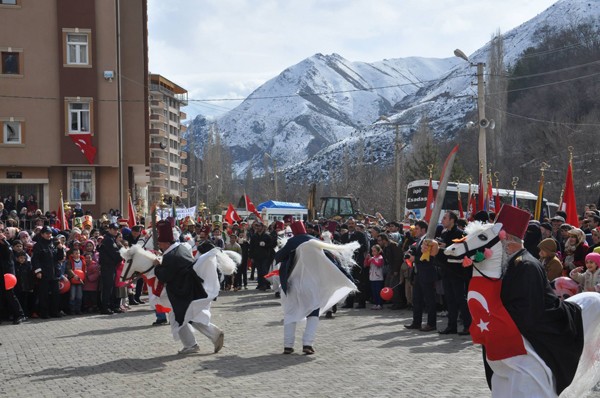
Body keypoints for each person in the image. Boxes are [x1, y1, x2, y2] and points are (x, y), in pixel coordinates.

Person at [485, 205, 587, 397]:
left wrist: (495, 317)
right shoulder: (508, 261)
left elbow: (528, 310)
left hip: (535, 338)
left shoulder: (526, 266)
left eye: (497, 240)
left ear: (508, 241)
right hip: (516, 336)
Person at [275, 220, 357, 355]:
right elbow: (332, 260)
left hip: (294, 284)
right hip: (312, 284)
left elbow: (278, 257)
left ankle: (287, 345)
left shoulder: (292, 242)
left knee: (290, 313)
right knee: (313, 313)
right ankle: (308, 344)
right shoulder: (315, 241)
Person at [153, 220, 225, 355]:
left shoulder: (169, 256)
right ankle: (196, 342)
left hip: (182, 292)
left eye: (160, 242)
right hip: (188, 288)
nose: (159, 245)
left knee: (183, 317)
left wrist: (157, 266)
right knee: (184, 316)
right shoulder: (180, 248)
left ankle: (204, 339)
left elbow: (164, 276)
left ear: (167, 243)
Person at [436, 212, 470, 335]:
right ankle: (452, 326)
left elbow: (462, 251)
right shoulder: (444, 233)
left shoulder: (460, 233)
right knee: (449, 300)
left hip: (457, 272)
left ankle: (468, 325)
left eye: (445, 218)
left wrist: (447, 246)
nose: (443, 220)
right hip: (446, 271)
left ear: (452, 220)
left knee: (461, 299)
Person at [404, 220, 438, 332]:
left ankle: (431, 324)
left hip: (427, 273)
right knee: (416, 299)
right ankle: (416, 322)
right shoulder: (418, 241)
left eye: (417, 229)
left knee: (429, 300)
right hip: (418, 273)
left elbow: (429, 258)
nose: (415, 231)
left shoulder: (428, 240)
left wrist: (415, 259)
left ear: (423, 229)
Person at [32, 225, 65, 319]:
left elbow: (60, 258)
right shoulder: (38, 245)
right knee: (44, 294)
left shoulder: (53, 243)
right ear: (42, 234)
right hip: (44, 274)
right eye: (47, 233)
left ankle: (55, 312)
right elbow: (35, 260)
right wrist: (38, 271)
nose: (49, 235)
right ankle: (44, 313)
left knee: (55, 294)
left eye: (50, 233)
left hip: (54, 273)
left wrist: (60, 248)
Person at [97, 223, 123, 314]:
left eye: (117, 229)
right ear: (110, 229)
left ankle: (111, 306)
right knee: (108, 288)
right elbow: (115, 253)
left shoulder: (111, 239)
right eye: (114, 229)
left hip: (111, 266)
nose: (116, 231)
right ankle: (105, 307)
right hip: (107, 266)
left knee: (112, 287)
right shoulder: (108, 240)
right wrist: (122, 256)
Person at [249, 221, 273, 291]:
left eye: (259, 226)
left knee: (264, 270)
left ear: (262, 227)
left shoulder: (267, 236)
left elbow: (272, 245)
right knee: (259, 271)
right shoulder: (254, 236)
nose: (257, 227)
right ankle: (260, 284)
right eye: (256, 226)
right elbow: (251, 247)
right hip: (257, 256)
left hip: (266, 256)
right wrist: (251, 257)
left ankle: (265, 284)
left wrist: (265, 245)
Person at [365, 244, 385, 310]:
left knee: (378, 291)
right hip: (372, 277)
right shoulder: (372, 258)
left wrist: (372, 260)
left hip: (378, 278)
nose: (373, 252)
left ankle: (380, 304)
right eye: (372, 251)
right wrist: (367, 259)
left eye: (375, 251)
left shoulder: (380, 257)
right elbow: (366, 264)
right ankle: (376, 303)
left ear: (378, 251)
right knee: (374, 292)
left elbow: (379, 264)